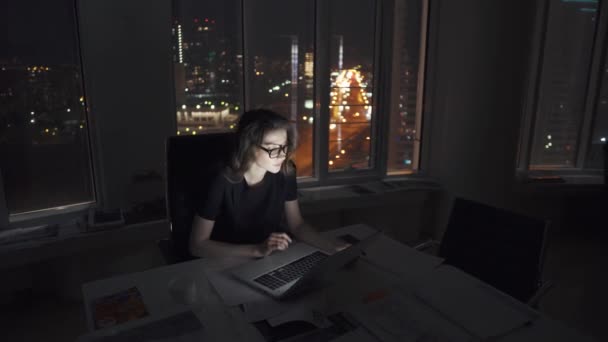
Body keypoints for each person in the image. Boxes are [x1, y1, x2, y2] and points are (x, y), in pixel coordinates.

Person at [189, 109, 345, 258]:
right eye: (273, 149)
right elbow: (197, 245)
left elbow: (296, 225)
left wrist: (331, 246)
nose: (282, 155)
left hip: (268, 258)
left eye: (284, 147)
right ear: (248, 146)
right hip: (223, 262)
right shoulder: (221, 180)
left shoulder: (286, 171)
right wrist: (257, 250)